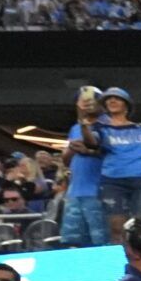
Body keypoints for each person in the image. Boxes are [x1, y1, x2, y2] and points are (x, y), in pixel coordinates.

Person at [95, 87, 141, 242]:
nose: (112, 101)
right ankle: (119, 261)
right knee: (116, 226)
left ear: (126, 105)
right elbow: (91, 142)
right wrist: (84, 124)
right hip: (112, 181)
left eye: (117, 98)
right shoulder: (100, 128)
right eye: (108, 99)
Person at [61, 88, 107, 248]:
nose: (88, 103)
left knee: (101, 241)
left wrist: (88, 150)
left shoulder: (108, 125)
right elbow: (66, 161)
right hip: (74, 193)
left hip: (99, 193)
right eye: (83, 100)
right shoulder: (75, 128)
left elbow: (114, 155)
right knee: (72, 242)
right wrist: (73, 148)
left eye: (93, 99)